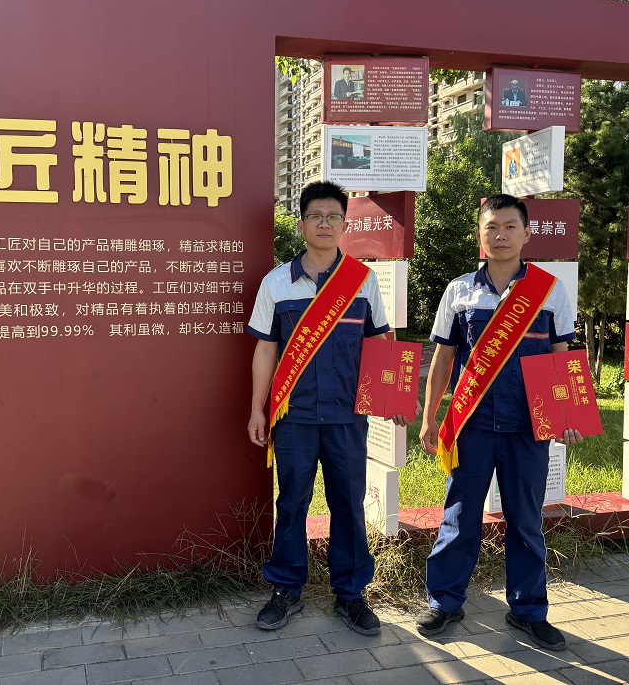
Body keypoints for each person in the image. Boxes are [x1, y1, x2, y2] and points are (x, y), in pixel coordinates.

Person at [415, 193, 582, 652]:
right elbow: (444, 358)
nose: (501, 235)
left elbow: (560, 357)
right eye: (492, 227)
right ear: (480, 235)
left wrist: (566, 414)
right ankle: (445, 601)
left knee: (526, 520)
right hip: (472, 424)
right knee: (459, 515)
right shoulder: (459, 291)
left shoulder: (549, 291)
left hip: (528, 426)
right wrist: (430, 417)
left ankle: (528, 610)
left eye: (510, 226)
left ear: (526, 233)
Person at [247, 181, 411, 637]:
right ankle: (286, 589)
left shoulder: (362, 281)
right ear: (301, 224)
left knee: (348, 504)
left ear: (344, 224)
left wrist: (396, 398)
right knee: (292, 502)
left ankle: (351, 594)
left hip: (346, 417)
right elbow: (265, 349)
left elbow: (380, 343)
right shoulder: (276, 283)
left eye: (333, 217)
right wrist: (258, 409)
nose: (324, 224)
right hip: (294, 417)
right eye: (316, 216)